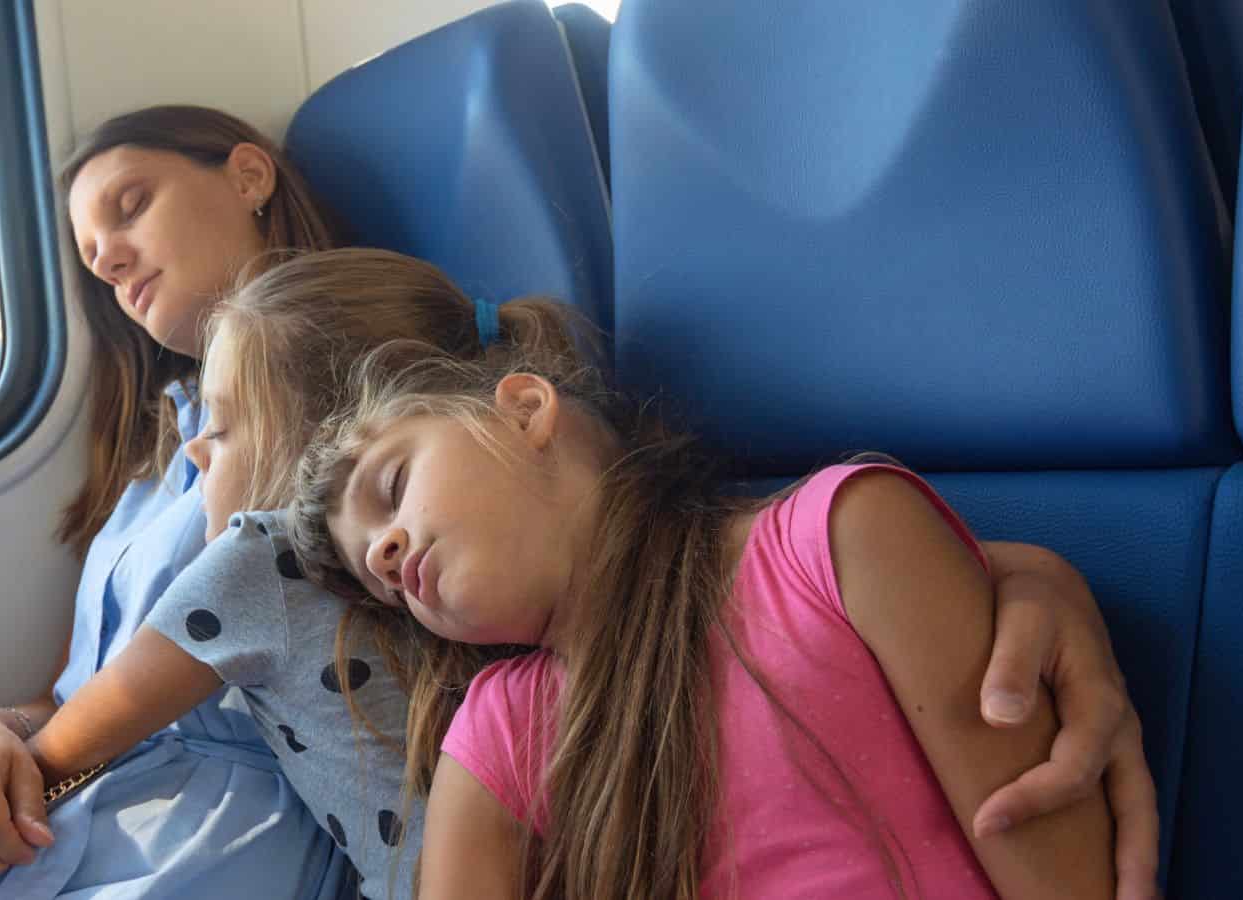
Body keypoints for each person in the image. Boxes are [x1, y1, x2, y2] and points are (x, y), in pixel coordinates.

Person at [288, 255, 1160, 899]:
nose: (387, 556)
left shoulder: (842, 539)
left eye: (391, 488)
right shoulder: (497, 739)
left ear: (523, 410)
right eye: (379, 580)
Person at [0, 106, 351, 898]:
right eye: (93, 257)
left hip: (220, 831)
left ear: (248, 176)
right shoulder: (163, 448)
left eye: (130, 208)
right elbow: (78, 685)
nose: (109, 261)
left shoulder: (343, 399)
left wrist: (41, 759)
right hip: (82, 802)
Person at [17, 248, 586, 898]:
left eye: (221, 427)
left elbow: (69, 745)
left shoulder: (260, 560)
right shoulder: (460, 554)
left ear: (317, 439)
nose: (194, 449)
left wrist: (0, 759)